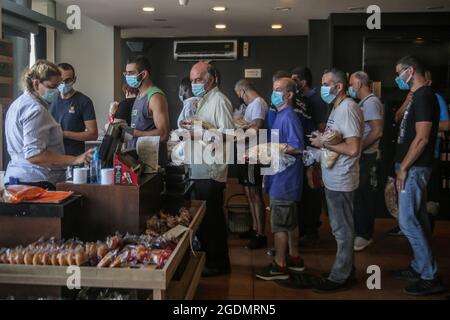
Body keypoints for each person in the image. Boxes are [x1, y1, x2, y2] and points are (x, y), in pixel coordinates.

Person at [390, 56, 445, 296]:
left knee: (407, 220)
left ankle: (430, 275)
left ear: (410, 71)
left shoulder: (425, 96)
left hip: (414, 168)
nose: (397, 79)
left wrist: (404, 167)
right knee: (418, 218)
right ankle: (419, 266)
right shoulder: (416, 96)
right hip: (410, 167)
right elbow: (400, 121)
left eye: (399, 73)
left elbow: (422, 138)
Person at [310, 68, 363, 292]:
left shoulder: (349, 108)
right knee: (340, 227)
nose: (322, 88)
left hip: (342, 178)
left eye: (325, 84)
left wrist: (323, 143)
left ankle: (339, 276)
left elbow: (352, 148)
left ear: (338, 86)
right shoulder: (337, 107)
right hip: (334, 176)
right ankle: (347, 270)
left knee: (342, 230)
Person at [5, 60, 93, 189]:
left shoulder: (18, 104)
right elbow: (35, 155)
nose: (57, 91)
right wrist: (75, 159)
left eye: (58, 86)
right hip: (36, 180)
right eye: (52, 87)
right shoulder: (35, 110)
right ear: (36, 84)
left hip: (18, 176)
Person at [389, 69, 450, 237]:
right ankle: (420, 242)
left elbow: (444, 125)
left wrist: (426, 128)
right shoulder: (413, 98)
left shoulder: (431, 98)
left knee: (416, 211)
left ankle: (424, 257)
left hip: (421, 159)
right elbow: (397, 119)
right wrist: (406, 102)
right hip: (407, 157)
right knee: (415, 209)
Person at [256, 78, 305, 281]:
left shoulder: (289, 116)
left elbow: (297, 146)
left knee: (279, 225)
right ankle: (294, 258)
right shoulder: (281, 115)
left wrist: (274, 148)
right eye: (273, 89)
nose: (274, 93)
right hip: (280, 177)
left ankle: (279, 264)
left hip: (285, 180)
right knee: (291, 222)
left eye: (278, 90)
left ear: (289, 94)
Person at [189, 61, 235, 277]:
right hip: (199, 166)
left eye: (198, 80)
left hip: (211, 169)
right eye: (192, 81)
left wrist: (203, 133)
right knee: (205, 219)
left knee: (213, 219)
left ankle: (219, 262)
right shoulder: (202, 101)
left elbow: (231, 135)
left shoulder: (220, 101)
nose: (194, 84)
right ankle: (209, 256)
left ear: (212, 78)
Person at [291, 67, 328, 246]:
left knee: (312, 191)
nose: (292, 84)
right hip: (303, 152)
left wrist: (316, 150)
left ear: (303, 82)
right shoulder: (301, 99)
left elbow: (321, 127)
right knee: (304, 194)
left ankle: (312, 230)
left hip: (313, 151)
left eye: (294, 80)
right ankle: (306, 227)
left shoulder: (316, 100)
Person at [348, 71, 384, 251]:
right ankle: (360, 232)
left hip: (367, 155)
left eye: (351, 83)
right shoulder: (364, 103)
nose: (350, 87)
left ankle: (365, 235)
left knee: (363, 195)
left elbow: (376, 131)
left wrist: (359, 146)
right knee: (359, 195)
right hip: (363, 154)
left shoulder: (371, 103)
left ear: (360, 84)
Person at [234, 79, 268, 250]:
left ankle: (261, 234)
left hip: (253, 154)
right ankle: (255, 228)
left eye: (238, 95)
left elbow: (257, 127)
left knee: (255, 193)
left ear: (242, 91)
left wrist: (237, 135)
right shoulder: (251, 105)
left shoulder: (258, 103)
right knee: (248, 191)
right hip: (245, 153)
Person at [124, 56, 170, 166]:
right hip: (138, 161)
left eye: (131, 73)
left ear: (143, 74)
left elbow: (164, 134)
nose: (128, 77)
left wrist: (134, 133)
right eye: (126, 73)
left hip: (152, 166)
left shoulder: (155, 97)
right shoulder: (139, 95)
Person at [49, 63, 98, 156]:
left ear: (74, 79)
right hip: (51, 156)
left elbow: (93, 134)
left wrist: (65, 134)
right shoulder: (49, 99)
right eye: (60, 80)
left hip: (74, 158)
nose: (64, 84)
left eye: (68, 80)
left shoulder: (84, 101)